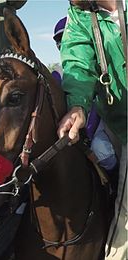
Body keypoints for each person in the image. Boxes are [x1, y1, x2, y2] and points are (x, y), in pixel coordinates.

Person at [57, 1, 127, 259]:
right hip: (117, 122)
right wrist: (77, 106)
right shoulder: (80, 16)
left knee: (125, 219)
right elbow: (78, 65)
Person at [53, 16, 117, 172]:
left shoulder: (96, 69)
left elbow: (96, 103)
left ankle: (115, 186)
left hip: (95, 123)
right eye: (59, 40)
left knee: (103, 152)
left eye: (65, 38)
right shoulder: (56, 73)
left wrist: (87, 134)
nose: (62, 43)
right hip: (68, 126)